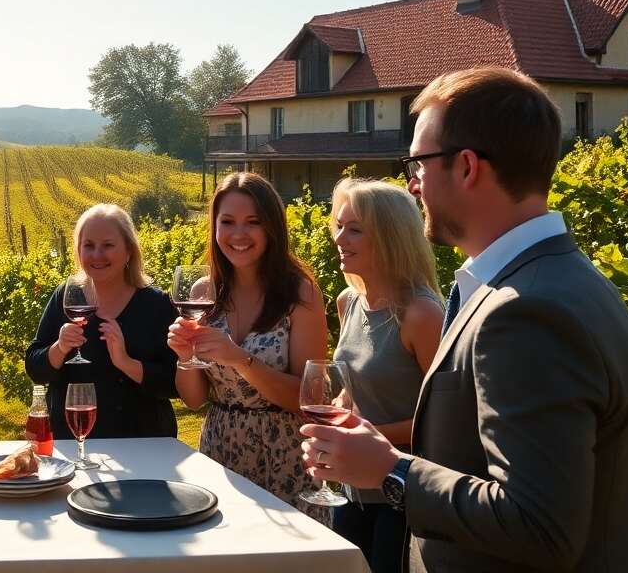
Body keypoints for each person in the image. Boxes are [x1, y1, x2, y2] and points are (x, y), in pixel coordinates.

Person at [300, 68, 628, 572]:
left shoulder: (526, 312)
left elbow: (540, 526)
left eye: (418, 163)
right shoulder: (554, 280)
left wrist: (392, 470)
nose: (412, 184)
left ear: (467, 166)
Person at [166, 172, 328, 519]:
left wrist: (240, 359)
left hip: (284, 454)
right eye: (227, 222)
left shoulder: (301, 295)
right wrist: (184, 358)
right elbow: (194, 400)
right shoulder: (204, 294)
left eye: (252, 222)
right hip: (219, 450)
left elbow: (310, 399)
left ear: (272, 228)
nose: (238, 234)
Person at [328, 177, 444, 572]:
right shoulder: (350, 302)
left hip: (402, 495)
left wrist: (367, 431)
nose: (339, 238)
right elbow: (356, 389)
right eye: (340, 226)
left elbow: (445, 423)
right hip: (352, 489)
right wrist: (340, 408)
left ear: (392, 236)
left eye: (355, 229)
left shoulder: (421, 314)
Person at [26, 204, 179, 440]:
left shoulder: (156, 304)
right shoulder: (67, 296)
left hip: (145, 445)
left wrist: (125, 362)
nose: (97, 255)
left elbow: (173, 383)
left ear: (129, 251)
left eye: (108, 245)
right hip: (75, 444)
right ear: (78, 251)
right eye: (89, 246)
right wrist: (60, 348)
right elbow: (36, 370)